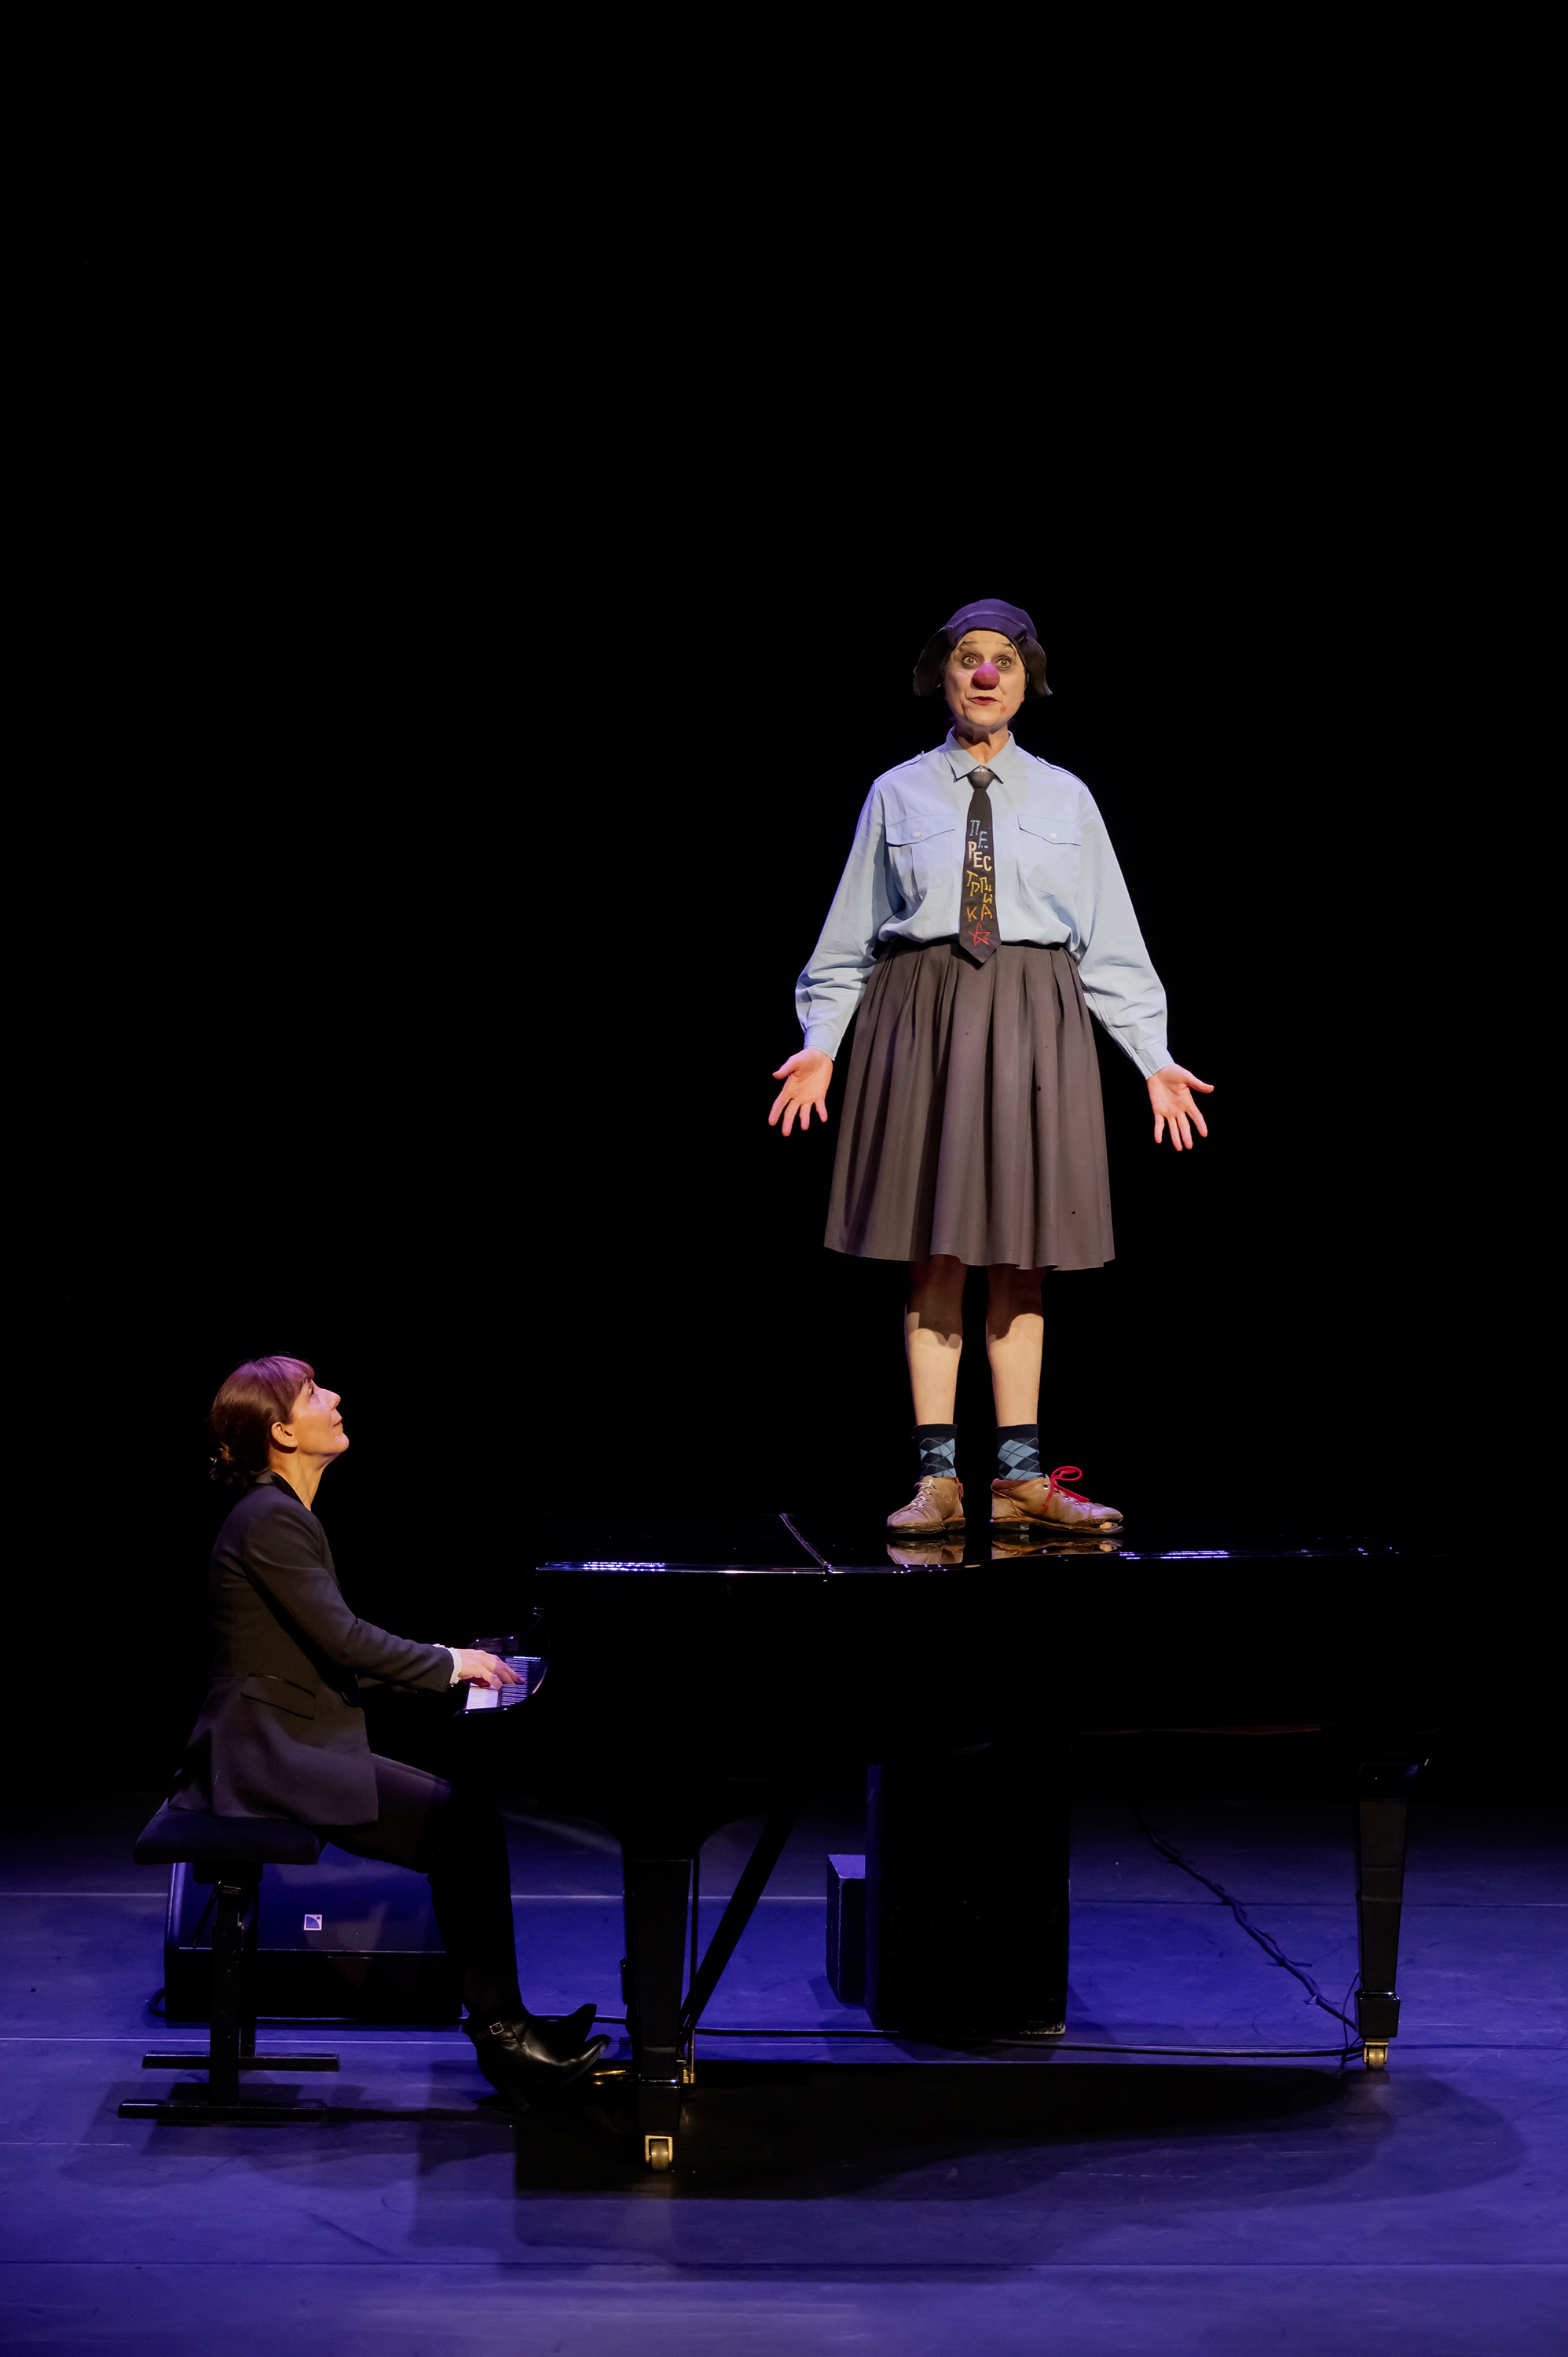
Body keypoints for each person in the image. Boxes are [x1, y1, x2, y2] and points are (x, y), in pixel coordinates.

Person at [770, 598, 1212, 1538]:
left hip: (1032, 1020)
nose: (983, 674)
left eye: (1002, 661)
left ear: (1025, 680)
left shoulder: (1065, 797)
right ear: (941, 675)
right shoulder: (896, 792)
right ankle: (938, 1479)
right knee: (933, 1249)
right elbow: (847, 940)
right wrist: (821, 1042)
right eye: (967, 658)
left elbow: (1110, 943)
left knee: (1023, 1254)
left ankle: (1017, 1476)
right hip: (921, 1015)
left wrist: (1152, 1056)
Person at [168, 1354, 607, 2110]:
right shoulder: (271, 1518)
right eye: (314, 1392)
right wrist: (449, 1664)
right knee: (463, 1830)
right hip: (264, 1757)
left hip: (278, 1741)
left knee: (465, 1824)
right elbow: (342, 1641)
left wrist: (453, 1666)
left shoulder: (280, 1514)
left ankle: (510, 2027)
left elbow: (319, 1651)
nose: (334, 1397)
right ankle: (505, 2038)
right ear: (283, 1432)